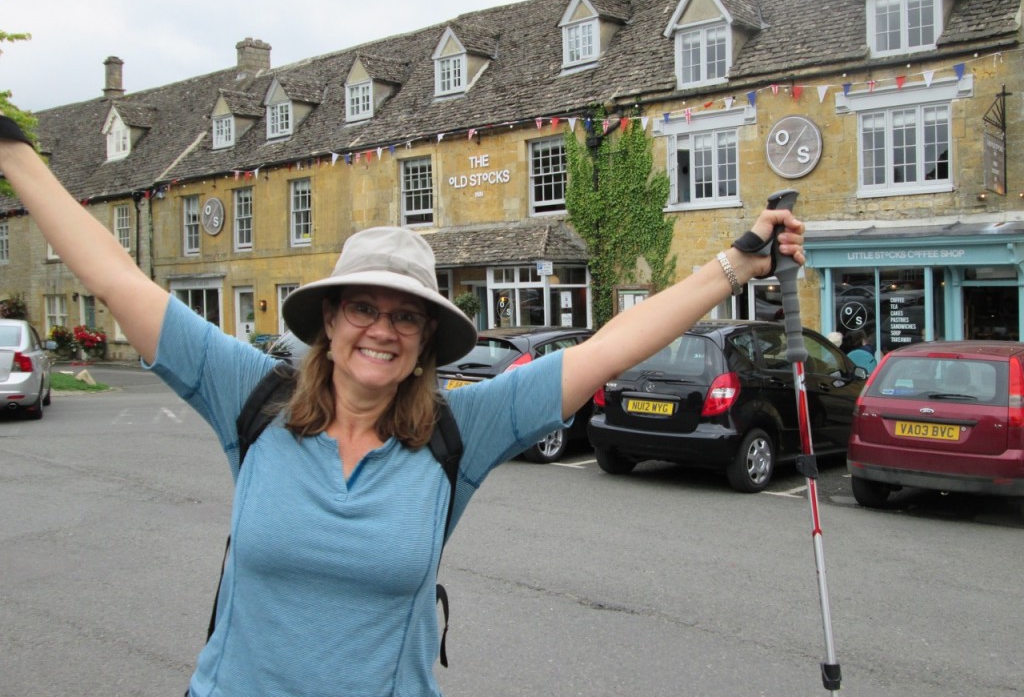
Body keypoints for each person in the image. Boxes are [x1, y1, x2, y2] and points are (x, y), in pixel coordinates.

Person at [0, 116, 804, 696]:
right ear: (328, 320)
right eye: (363, 308)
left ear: (426, 338)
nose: (381, 330)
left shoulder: (462, 428)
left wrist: (733, 266)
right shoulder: (251, 397)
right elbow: (116, 277)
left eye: (405, 314)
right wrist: (14, 153)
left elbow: (607, 347)